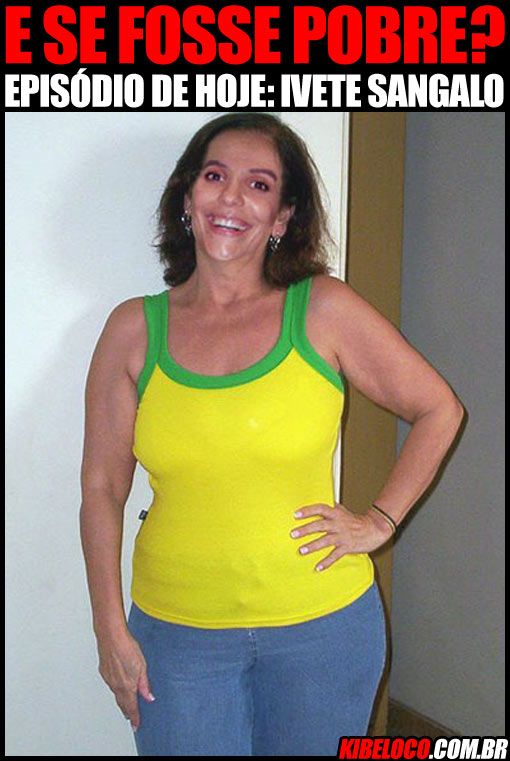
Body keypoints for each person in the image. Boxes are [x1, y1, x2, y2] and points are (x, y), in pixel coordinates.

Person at [79, 113, 465, 757]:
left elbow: (439, 408)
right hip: (177, 637)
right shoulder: (133, 329)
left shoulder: (323, 309)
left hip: (324, 631)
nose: (231, 198)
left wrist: (380, 521)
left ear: (283, 217)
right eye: (214, 176)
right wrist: (108, 630)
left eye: (258, 185)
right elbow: (101, 487)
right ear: (187, 197)